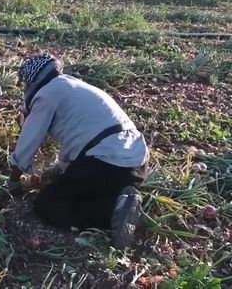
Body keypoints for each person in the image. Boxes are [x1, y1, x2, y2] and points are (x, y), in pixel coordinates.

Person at [8, 54, 149, 249]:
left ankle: (114, 209)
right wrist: (56, 170)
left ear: (32, 81)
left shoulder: (46, 95)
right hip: (136, 161)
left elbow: (28, 140)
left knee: (48, 205)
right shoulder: (73, 87)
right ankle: (124, 200)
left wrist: (14, 178)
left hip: (108, 161)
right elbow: (80, 142)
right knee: (85, 187)